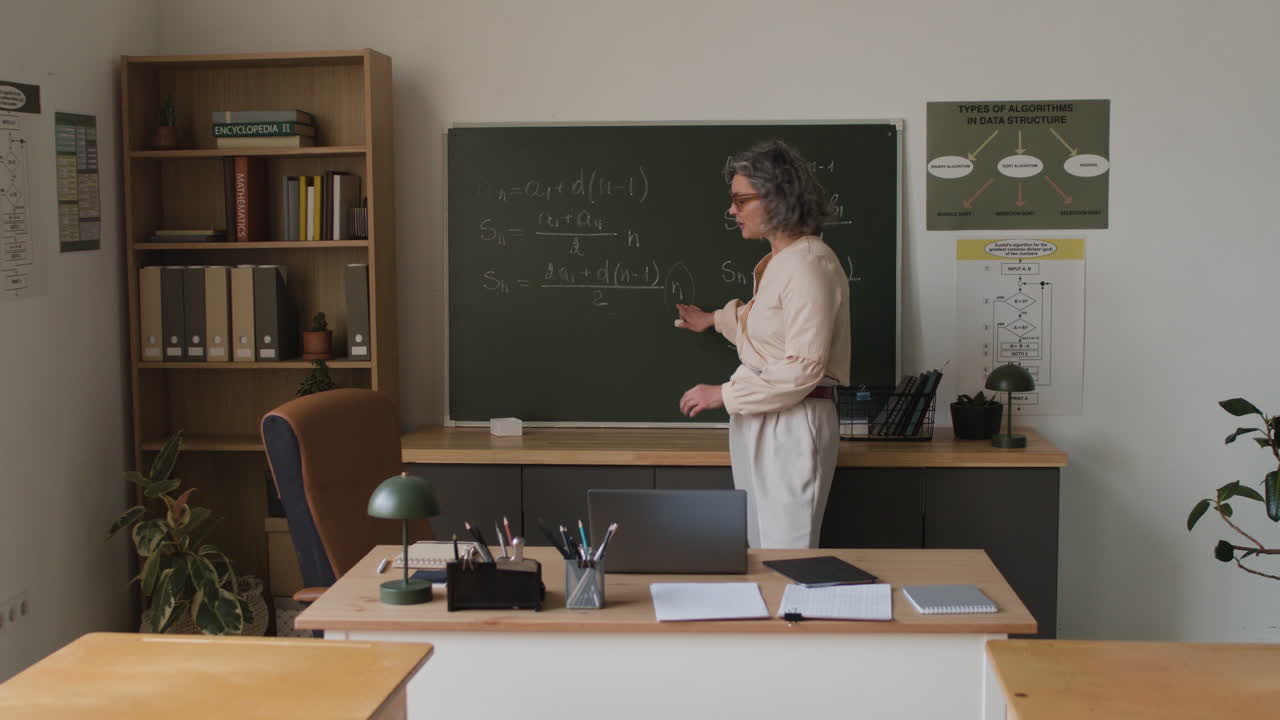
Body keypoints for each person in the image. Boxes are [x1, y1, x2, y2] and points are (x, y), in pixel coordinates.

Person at [675, 139, 851, 549]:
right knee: (760, 547)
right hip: (766, 416)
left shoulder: (808, 265)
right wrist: (715, 320)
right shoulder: (784, 261)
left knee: (788, 550)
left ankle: (789, 615)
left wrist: (724, 393)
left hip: (791, 420)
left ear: (777, 199)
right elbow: (766, 330)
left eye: (740, 200)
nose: (732, 210)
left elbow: (804, 364)